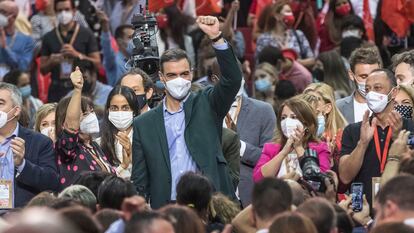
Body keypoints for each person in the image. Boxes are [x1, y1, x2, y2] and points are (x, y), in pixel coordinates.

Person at [131, 16, 240, 209]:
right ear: (162, 78)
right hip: (167, 207)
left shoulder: (208, 103)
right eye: (172, 75)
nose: (179, 80)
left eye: (184, 74)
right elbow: (139, 179)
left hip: (209, 205)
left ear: (191, 73)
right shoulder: (144, 124)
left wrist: (216, 37)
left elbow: (232, 79)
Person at [339, 69, 414, 210]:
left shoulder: (410, 127)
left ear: (394, 92)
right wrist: (362, 144)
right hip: (362, 213)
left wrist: (398, 139)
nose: (371, 93)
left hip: (403, 209)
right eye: (368, 89)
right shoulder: (353, 130)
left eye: (377, 88)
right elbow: (344, 177)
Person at [0, 83, 59, 207]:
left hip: (24, 217)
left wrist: (22, 164)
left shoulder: (40, 142)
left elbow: (52, 182)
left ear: (16, 111)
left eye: (0, 103)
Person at [55, 67, 114, 188]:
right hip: (79, 205)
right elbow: (71, 128)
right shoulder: (69, 148)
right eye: (85, 114)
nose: (91, 117)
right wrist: (77, 90)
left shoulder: (94, 146)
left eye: (91, 112)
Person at [223, 77, 276, 207]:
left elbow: (270, 159)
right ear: (215, 79)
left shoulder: (263, 111)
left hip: (251, 200)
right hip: (213, 199)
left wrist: (237, 146)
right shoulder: (204, 110)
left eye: (239, 75)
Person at [253, 97, 330, 182]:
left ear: (307, 123)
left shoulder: (320, 148)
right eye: (283, 118)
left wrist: (299, 148)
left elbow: (321, 181)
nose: (287, 122)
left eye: (293, 117)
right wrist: (283, 153)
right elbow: (258, 179)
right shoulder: (271, 148)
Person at [40, 0, 100, 102]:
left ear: (74, 11)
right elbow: (43, 70)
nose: (63, 13)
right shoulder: (48, 37)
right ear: (55, 12)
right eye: (59, 10)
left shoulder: (86, 34)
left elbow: (97, 64)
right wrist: (52, 61)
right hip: (56, 89)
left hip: (80, 88)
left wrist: (78, 55)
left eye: (67, 9)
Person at [255, 0, 314, 68]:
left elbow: (312, 60)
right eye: (288, 12)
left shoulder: (298, 35)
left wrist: (293, 62)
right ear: (277, 16)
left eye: (291, 12)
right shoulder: (264, 39)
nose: (291, 15)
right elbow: (259, 65)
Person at [304, 83, 348, 171]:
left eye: (315, 99)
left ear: (327, 108)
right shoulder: (296, 132)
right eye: (306, 98)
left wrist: (331, 158)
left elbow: (345, 173)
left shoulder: (340, 137)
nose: (310, 102)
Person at [99, 86, 139, 179]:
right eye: (114, 108)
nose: (120, 112)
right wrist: (123, 166)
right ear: (108, 110)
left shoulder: (146, 137)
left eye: (125, 108)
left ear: (134, 111)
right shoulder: (99, 143)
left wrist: (131, 154)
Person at [336, 47, 382, 124]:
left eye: (374, 75)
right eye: (364, 76)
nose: (370, 82)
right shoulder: (338, 108)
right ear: (351, 75)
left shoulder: (390, 106)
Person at [98, 6, 132, 86]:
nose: (135, 40)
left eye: (135, 36)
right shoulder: (113, 61)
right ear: (119, 41)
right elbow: (107, 49)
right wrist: (105, 29)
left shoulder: (138, 60)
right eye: (130, 37)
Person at [0, 1, 35, 79]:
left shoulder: (27, 40)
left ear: (13, 16)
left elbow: (23, 67)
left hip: (12, 85)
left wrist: (5, 48)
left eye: (3, 12)